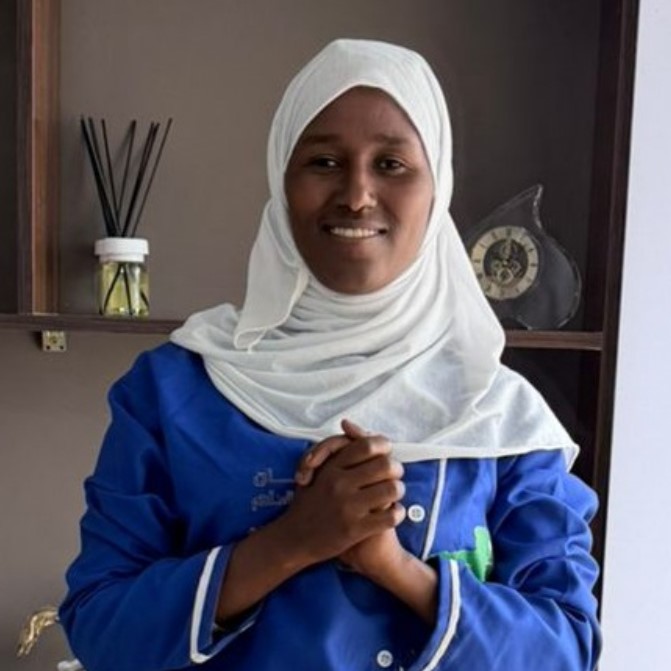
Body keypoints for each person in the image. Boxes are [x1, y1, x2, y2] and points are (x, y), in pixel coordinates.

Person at [59, 38, 601, 671]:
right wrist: (292, 541)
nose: (357, 194)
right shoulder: (175, 390)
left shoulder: (497, 414)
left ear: (438, 190)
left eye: (392, 164)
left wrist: (391, 566)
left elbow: (566, 649)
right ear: (280, 183)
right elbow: (99, 625)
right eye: (323, 161)